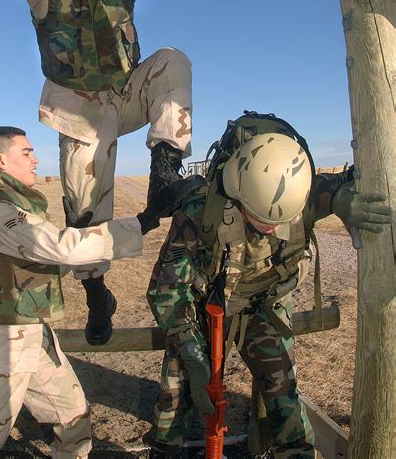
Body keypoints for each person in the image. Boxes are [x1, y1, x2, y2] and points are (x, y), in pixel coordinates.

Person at [7, 0, 236, 345]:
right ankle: (97, 291)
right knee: (85, 207)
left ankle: (166, 169)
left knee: (173, 60)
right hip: (77, 106)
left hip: (125, 92)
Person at [146, 112, 392, 458]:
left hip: (263, 308)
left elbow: (338, 186)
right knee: (175, 399)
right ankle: (164, 450)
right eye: (264, 221)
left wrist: (342, 200)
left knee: (285, 403)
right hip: (203, 312)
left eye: (282, 221)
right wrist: (193, 354)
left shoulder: (299, 189)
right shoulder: (202, 211)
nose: (276, 229)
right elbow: (166, 291)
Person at [0, 125, 174, 459]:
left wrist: (82, 237)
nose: (36, 160)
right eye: (27, 152)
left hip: (30, 337)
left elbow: (43, 264)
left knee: (73, 415)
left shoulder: (17, 205)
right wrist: (143, 222)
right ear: (0, 160)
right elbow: (57, 248)